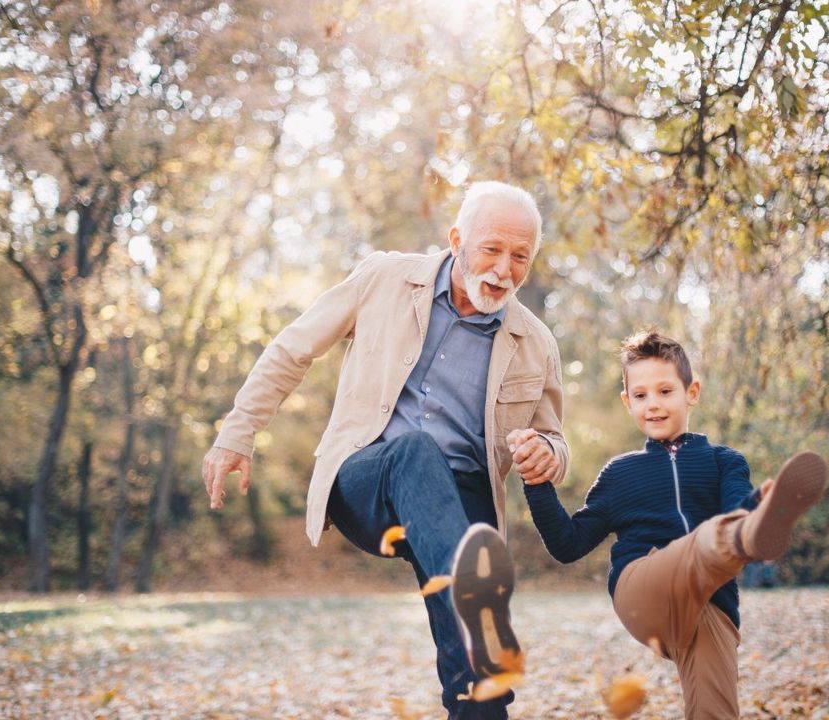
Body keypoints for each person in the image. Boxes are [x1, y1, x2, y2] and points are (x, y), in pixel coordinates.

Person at [201, 181, 569, 719]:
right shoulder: (385, 278)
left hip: (460, 503)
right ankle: (478, 599)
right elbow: (293, 348)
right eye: (492, 249)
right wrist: (238, 431)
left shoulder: (536, 344)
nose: (505, 268)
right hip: (368, 477)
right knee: (416, 453)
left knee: (475, 673)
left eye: (521, 257)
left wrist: (546, 455)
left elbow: (555, 440)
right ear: (456, 239)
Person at [516, 329, 827, 719]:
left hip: (712, 604)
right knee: (714, 540)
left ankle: (748, 530)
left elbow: (736, 507)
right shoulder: (619, 473)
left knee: (717, 711)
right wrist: (536, 480)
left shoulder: (724, 462)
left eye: (666, 391)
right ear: (628, 402)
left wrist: (759, 507)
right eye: (642, 396)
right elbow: (568, 544)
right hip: (644, 588)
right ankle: (745, 535)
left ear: (691, 392)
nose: (654, 405)